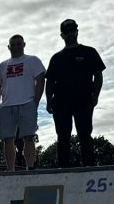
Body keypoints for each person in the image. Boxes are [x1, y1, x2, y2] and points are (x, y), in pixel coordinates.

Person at [45, 18, 105, 167]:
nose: (70, 34)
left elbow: (98, 75)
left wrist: (95, 95)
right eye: (66, 32)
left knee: (85, 134)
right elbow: (50, 81)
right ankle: (64, 169)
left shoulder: (89, 52)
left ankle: (89, 167)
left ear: (77, 31)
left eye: (72, 30)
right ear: (62, 35)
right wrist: (48, 101)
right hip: (61, 101)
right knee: (63, 136)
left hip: (84, 99)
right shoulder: (57, 57)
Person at [0, 34, 45, 172]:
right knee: (7, 139)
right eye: (13, 44)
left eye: (19, 44)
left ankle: (30, 167)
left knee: (29, 137)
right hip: (7, 105)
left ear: (24, 44)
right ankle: (10, 170)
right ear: (9, 47)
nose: (16, 46)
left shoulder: (32, 60)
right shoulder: (2, 66)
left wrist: (36, 101)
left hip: (27, 103)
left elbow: (41, 79)